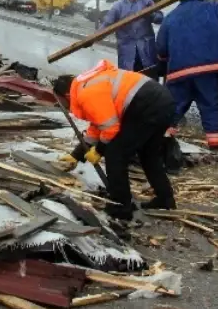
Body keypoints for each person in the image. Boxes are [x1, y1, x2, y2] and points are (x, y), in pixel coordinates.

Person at [52, 61, 177, 220]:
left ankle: (121, 207)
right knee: (148, 154)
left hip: (146, 104)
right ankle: (165, 199)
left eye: (62, 102)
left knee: (115, 154)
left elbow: (110, 129)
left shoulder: (86, 93)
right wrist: (76, 155)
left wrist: (99, 150)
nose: (64, 105)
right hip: (161, 102)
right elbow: (98, 125)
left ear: (67, 95)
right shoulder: (87, 84)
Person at [156, 0, 218, 149]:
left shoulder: (170, 17)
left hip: (180, 71)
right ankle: (214, 144)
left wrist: (163, 62)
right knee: (209, 104)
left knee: (173, 106)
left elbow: (161, 48)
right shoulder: (211, 8)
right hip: (207, 69)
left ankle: (163, 140)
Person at [99, 0, 162, 74]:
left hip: (146, 49)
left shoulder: (146, 2)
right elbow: (107, 24)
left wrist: (151, 14)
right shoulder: (118, 7)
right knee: (129, 82)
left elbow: (160, 18)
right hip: (127, 52)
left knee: (149, 81)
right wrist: (94, 38)